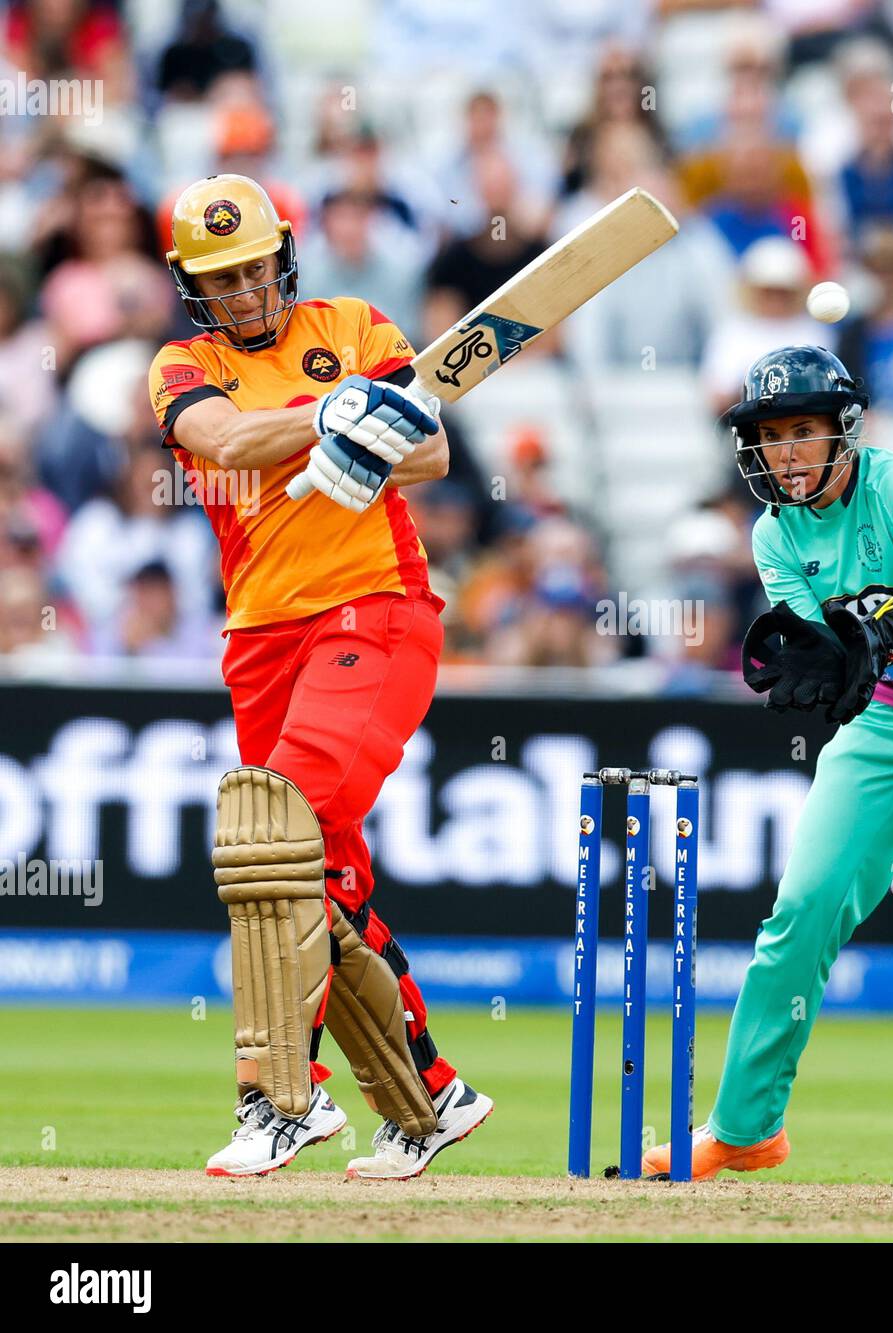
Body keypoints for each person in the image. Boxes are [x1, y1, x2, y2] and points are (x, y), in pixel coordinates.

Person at [642, 346, 893, 1189]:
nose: (786, 451)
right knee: (800, 910)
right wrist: (831, 661)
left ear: (846, 430)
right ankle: (745, 1126)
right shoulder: (772, 532)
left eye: (803, 430)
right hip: (890, 717)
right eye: (770, 434)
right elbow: (829, 650)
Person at [147, 173, 493, 1179]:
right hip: (260, 635)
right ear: (190, 285)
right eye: (221, 277)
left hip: (374, 609)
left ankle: (278, 1100)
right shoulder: (181, 364)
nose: (245, 291)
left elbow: (425, 450)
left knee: (273, 834)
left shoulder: (353, 323)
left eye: (255, 268)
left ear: (283, 255)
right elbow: (225, 440)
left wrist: (366, 412)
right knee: (316, 876)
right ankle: (429, 1095)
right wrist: (337, 411)